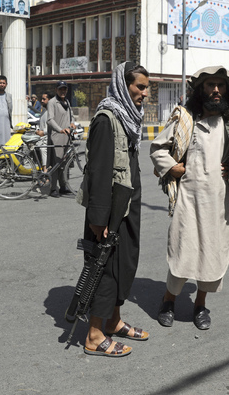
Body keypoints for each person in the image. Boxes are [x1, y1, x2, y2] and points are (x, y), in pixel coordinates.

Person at [151, 66, 229, 330]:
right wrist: (173, 167)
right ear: (201, 90)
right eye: (210, 85)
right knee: (181, 252)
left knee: (212, 255)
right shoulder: (185, 118)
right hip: (187, 199)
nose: (216, 91)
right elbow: (157, 148)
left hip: (219, 202)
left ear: (228, 91)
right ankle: (168, 301)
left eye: (220, 86)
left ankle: (200, 304)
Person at [81, 61, 149, 358]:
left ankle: (113, 319)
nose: (145, 93)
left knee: (125, 264)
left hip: (128, 206)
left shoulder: (129, 119)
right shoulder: (106, 119)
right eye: (140, 87)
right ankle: (95, 335)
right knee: (105, 270)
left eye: (147, 88)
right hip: (108, 213)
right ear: (124, 84)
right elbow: (98, 172)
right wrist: (98, 219)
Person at [47, 81, 76, 198]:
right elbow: (50, 120)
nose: (63, 91)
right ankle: (53, 188)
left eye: (65, 89)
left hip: (66, 137)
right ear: (56, 90)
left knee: (65, 163)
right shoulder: (52, 102)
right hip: (56, 137)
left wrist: (72, 124)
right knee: (56, 164)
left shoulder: (67, 102)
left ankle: (64, 186)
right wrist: (60, 129)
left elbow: (71, 116)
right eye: (60, 89)